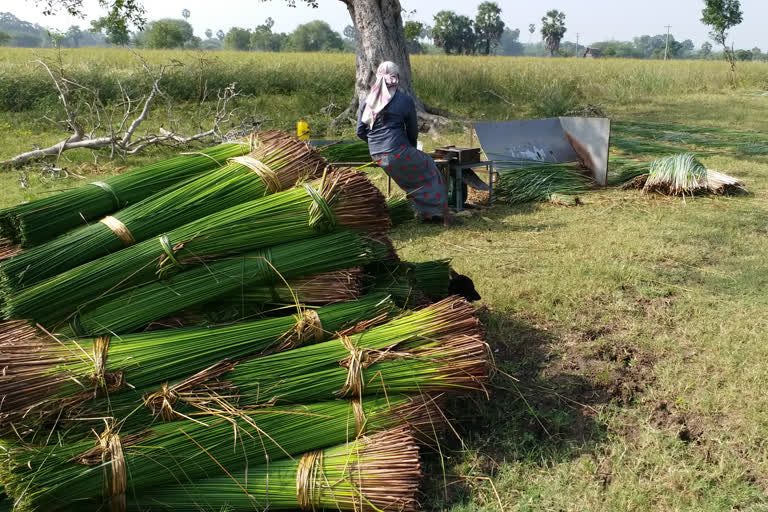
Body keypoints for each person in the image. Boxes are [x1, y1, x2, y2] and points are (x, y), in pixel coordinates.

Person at [357, 61, 452, 225]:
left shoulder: (367, 101)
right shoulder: (404, 100)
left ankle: (424, 212)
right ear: (396, 79)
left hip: (377, 155)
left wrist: (376, 144)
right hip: (398, 151)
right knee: (429, 167)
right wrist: (411, 148)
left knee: (410, 179)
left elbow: (360, 131)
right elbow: (412, 131)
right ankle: (438, 214)